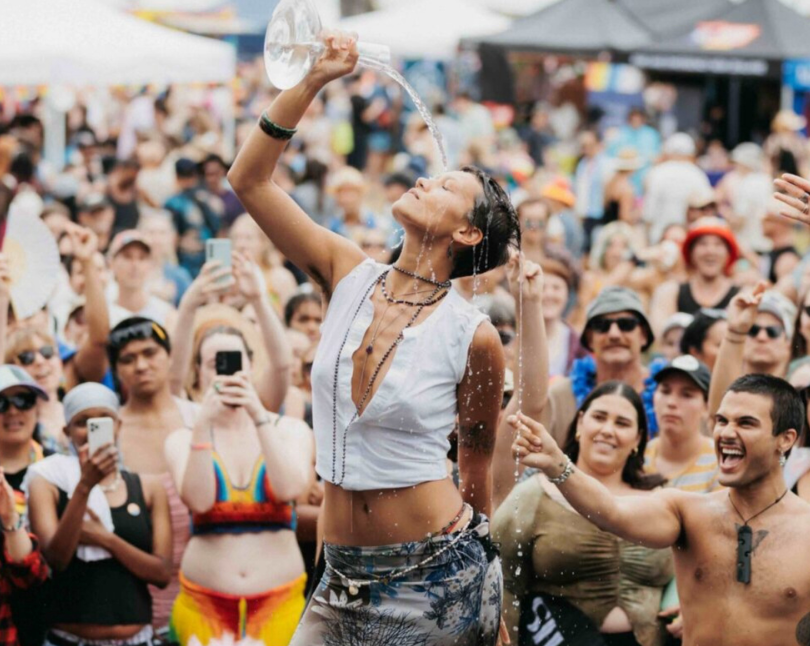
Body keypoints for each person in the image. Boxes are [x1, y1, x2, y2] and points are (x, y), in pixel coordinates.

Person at [228, 33, 517, 645]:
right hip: (340, 576)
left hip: (436, 576)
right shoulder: (345, 272)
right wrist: (311, 81)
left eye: (445, 187)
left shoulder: (474, 336)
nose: (424, 180)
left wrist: (484, 592)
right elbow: (249, 180)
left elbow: (476, 467)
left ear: (467, 234)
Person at [511, 373, 810, 646]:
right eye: (722, 421)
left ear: (785, 439)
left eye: (745, 423)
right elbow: (611, 512)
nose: (727, 433)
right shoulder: (687, 511)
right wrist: (557, 464)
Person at [164, 325, 313, 644]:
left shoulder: (291, 429)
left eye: (233, 360)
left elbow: (290, 489)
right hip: (204, 607)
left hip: (279, 605)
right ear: (199, 374)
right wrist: (203, 424)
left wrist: (258, 414)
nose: (226, 372)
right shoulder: (181, 439)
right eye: (213, 363)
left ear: (251, 365)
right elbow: (199, 501)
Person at [495, 382, 673, 646]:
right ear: (580, 422)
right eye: (599, 417)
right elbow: (504, 585)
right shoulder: (532, 495)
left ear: (638, 439)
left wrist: (684, 607)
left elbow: (692, 569)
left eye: (622, 423)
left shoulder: (661, 499)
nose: (608, 430)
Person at [26, 382, 172, 645]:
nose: (91, 430)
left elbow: (161, 573)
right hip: (69, 639)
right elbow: (56, 559)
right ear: (67, 431)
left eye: (104, 420)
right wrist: (84, 486)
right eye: (82, 422)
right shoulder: (48, 481)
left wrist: (105, 539)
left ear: (118, 426)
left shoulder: (147, 487)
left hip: (137, 639)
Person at [108, 317, 199, 630]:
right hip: (134, 596)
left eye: (150, 353)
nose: (141, 365)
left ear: (169, 355)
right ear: (116, 369)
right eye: (127, 359)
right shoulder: (111, 432)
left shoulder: (199, 418)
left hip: (204, 584)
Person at [541, 286, 660, 445]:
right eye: (601, 325)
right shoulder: (560, 397)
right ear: (589, 339)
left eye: (626, 324)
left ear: (644, 335)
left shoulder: (666, 395)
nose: (614, 334)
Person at [650, 217, 739, 333]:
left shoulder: (741, 296)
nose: (710, 251)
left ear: (728, 254)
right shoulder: (669, 292)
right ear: (691, 252)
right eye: (702, 243)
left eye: (718, 244)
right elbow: (660, 337)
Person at [646, 355, 719, 493]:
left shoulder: (720, 464)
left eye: (687, 395)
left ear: (706, 406)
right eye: (665, 391)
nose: (671, 402)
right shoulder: (637, 458)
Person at [643, 133, 711, 243]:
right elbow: (707, 212)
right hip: (689, 238)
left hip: (659, 237)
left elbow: (649, 213)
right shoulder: (697, 174)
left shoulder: (656, 173)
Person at [107, 230, 178, 332]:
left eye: (142, 258)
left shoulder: (166, 315)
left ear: (151, 265)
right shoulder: (103, 313)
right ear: (111, 263)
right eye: (127, 256)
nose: (135, 265)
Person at [164, 158, 221, 278]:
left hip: (187, 256)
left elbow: (172, 235)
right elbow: (219, 228)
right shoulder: (208, 198)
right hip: (209, 253)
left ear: (176, 177)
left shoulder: (173, 202)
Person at [200, 154, 243, 230]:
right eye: (208, 174)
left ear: (222, 172)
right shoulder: (200, 198)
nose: (211, 179)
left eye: (215, 173)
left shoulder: (234, 200)